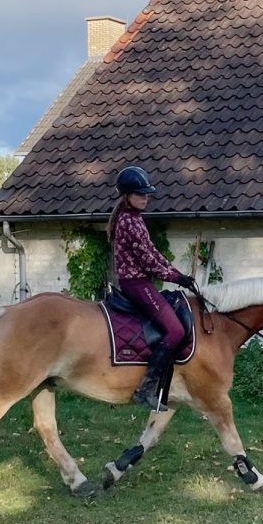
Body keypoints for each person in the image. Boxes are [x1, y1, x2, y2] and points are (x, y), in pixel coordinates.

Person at [107, 165, 197, 412]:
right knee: (176, 331)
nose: (145, 197)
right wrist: (177, 279)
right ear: (127, 196)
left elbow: (153, 254)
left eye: (146, 193)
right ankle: (146, 388)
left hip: (140, 281)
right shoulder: (130, 222)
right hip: (136, 284)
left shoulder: (134, 218)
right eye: (140, 193)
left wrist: (176, 273)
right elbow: (147, 262)